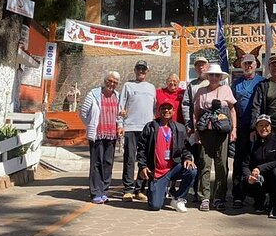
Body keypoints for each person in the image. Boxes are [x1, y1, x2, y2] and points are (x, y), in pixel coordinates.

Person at [136, 101, 197, 212]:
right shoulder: (150, 127)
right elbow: (141, 149)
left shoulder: (179, 128)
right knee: (155, 206)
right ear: (159, 111)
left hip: (173, 168)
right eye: (163, 108)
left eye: (169, 109)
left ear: (173, 111)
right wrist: (142, 166)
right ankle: (159, 190)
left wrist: (188, 159)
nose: (166, 111)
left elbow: (185, 148)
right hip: (157, 173)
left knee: (192, 170)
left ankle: (178, 198)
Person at [192, 63, 237, 211]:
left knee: (221, 165)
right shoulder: (201, 91)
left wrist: (234, 129)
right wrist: (196, 131)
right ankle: (204, 197)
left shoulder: (226, 90)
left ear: (220, 77)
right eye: (211, 75)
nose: (214, 78)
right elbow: (196, 113)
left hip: (222, 132)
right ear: (208, 76)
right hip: (206, 132)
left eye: (216, 75)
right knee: (205, 163)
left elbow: (232, 110)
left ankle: (219, 197)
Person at [79, 71, 122, 204]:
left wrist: (120, 125)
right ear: (105, 81)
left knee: (108, 163)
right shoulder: (94, 94)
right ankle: (95, 192)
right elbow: (83, 112)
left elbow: (120, 115)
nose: (112, 84)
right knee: (97, 163)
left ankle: (104, 190)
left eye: (115, 82)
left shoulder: (118, 96)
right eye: (110, 81)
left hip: (112, 135)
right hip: (98, 134)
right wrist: (92, 124)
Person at [231, 53, 265, 209]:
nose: (248, 66)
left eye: (250, 63)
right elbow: (232, 107)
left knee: (257, 161)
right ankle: (238, 195)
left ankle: (259, 196)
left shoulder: (262, 82)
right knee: (239, 162)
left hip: (259, 128)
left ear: (256, 64)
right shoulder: (236, 84)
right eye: (245, 63)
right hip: (241, 128)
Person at [119, 60, 156, 202]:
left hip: (147, 129)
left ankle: (140, 189)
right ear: (135, 70)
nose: (141, 71)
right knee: (129, 159)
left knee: (145, 160)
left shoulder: (151, 87)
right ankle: (128, 189)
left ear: (147, 71)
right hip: (130, 127)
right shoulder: (128, 86)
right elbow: (121, 107)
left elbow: (154, 109)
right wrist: (120, 124)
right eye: (139, 69)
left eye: (144, 69)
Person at [242, 114, 276, 218]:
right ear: (256, 127)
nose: (263, 128)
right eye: (260, 125)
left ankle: (275, 204)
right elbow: (245, 165)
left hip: (272, 177)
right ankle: (260, 200)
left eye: (266, 125)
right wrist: (249, 177)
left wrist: (260, 168)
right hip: (258, 179)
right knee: (243, 181)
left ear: (271, 127)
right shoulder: (252, 143)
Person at [181, 56, 209, 202]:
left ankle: (207, 192)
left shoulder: (215, 81)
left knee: (207, 161)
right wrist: (188, 124)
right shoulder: (192, 85)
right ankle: (196, 192)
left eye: (203, 64)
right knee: (196, 159)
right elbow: (185, 104)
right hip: (195, 128)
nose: (200, 67)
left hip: (211, 130)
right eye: (198, 65)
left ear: (208, 66)